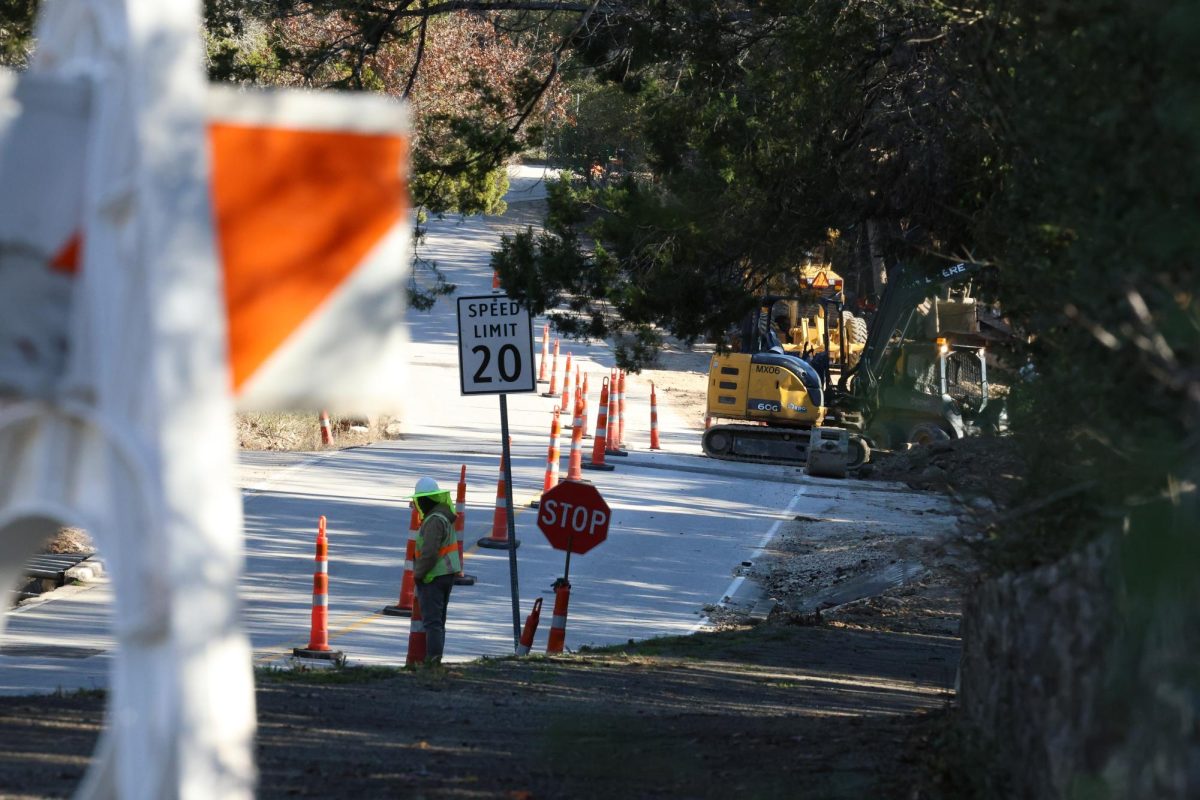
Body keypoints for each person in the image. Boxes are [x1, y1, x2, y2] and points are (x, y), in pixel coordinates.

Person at [410, 476, 460, 665]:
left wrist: (418, 574)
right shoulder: (442, 516)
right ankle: (435, 661)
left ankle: (432, 663)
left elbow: (429, 552)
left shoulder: (434, 520)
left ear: (423, 500)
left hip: (434, 577)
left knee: (432, 623)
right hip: (444, 575)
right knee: (438, 622)